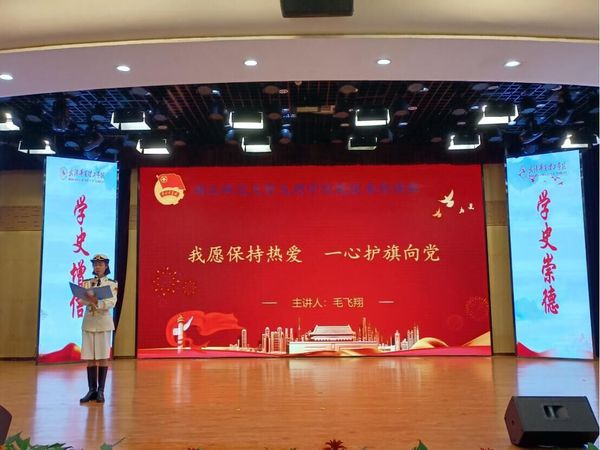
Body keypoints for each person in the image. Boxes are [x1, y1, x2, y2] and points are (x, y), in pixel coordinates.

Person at [79, 254, 117, 404]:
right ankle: (91, 390)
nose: (97, 267)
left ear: (106, 266)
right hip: (89, 322)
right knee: (90, 357)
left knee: (102, 357)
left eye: (100, 264)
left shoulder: (112, 283)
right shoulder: (87, 282)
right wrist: (86, 299)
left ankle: (101, 391)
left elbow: (112, 302)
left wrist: (96, 301)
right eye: (95, 264)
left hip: (103, 323)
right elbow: (81, 300)